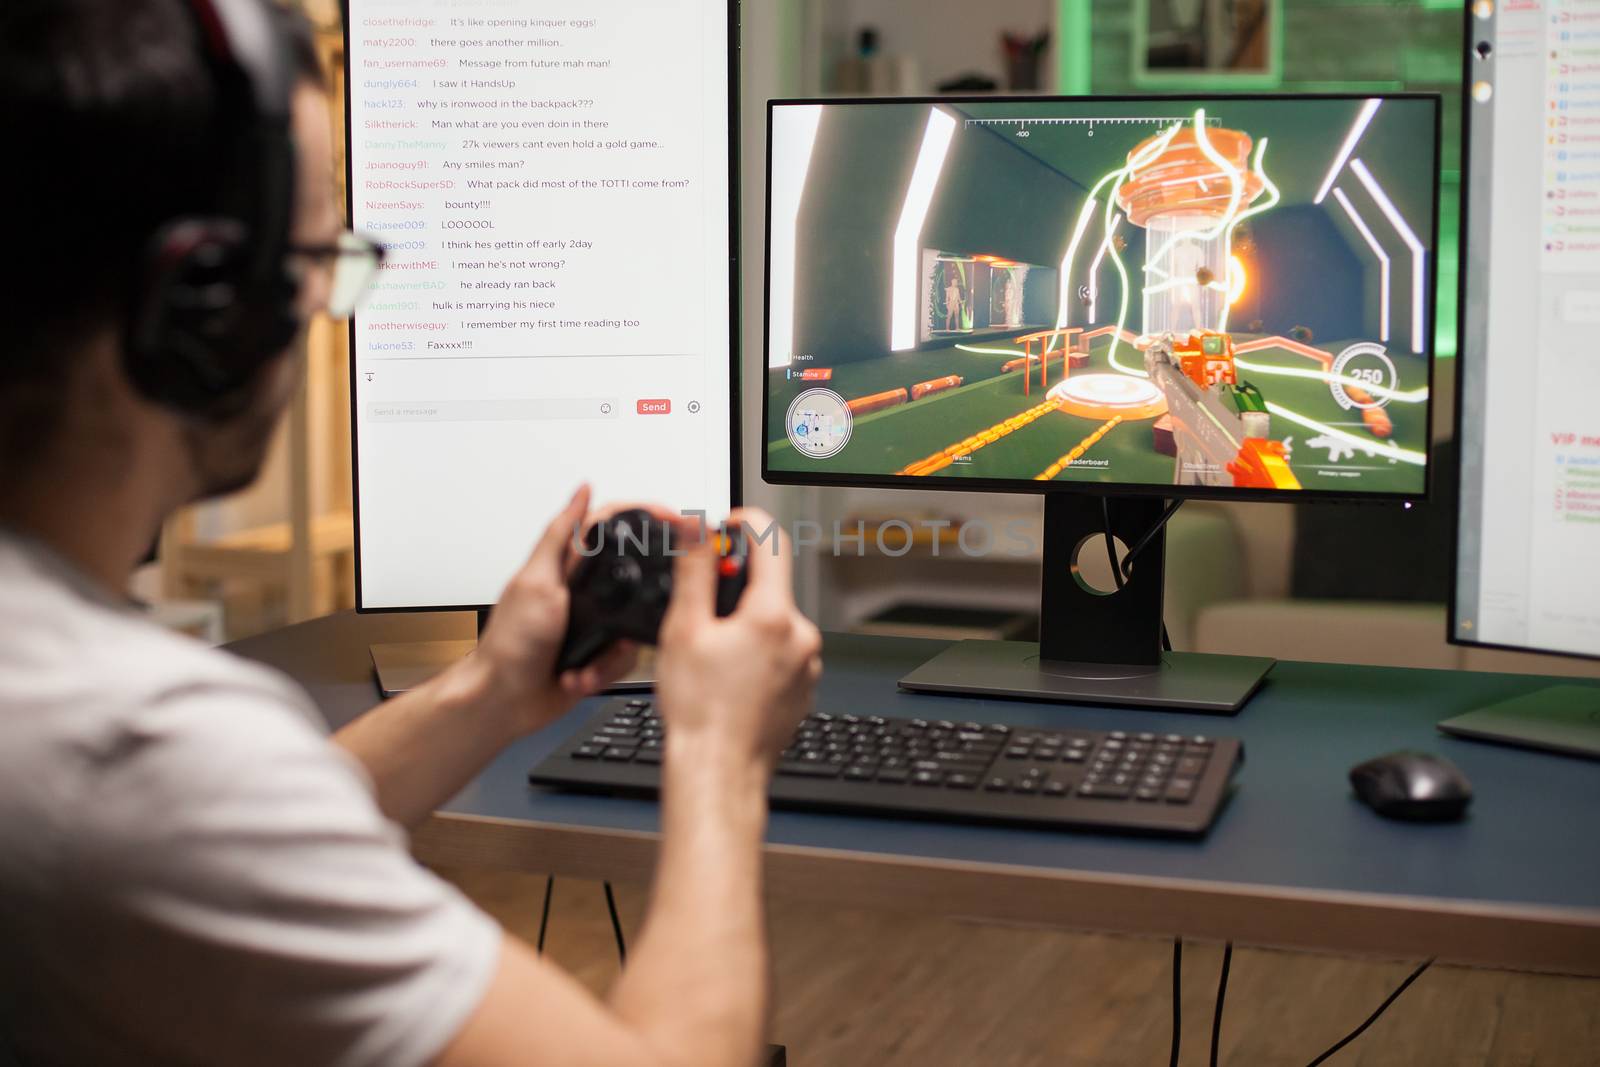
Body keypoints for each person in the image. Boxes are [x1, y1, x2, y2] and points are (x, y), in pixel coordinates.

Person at [0, 3, 822, 1066]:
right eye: (312, 259)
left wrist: (489, 690)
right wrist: (719, 754)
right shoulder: (126, 743)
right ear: (204, 312)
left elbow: (233, 838)